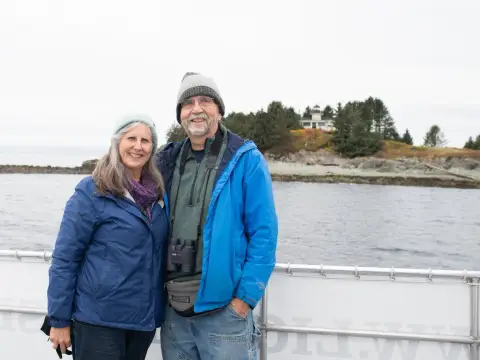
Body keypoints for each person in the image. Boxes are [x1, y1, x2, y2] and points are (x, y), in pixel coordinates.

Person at [156, 72, 278, 359]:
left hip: (225, 312)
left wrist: (244, 300)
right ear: (180, 116)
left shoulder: (246, 159)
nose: (196, 109)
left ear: (219, 111)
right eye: (188, 103)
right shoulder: (166, 160)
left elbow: (264, 233)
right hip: (173, 313)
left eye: (205, 101)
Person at [47, 114, 169, 360]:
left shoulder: (157, 194)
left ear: (152, 148)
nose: (138, 146)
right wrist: (58, 319)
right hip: (98, 321)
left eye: (145, 140)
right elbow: (65, 258)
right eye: (131, 138)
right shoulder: (92, 191)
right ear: (116, 143)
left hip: (142, 322)